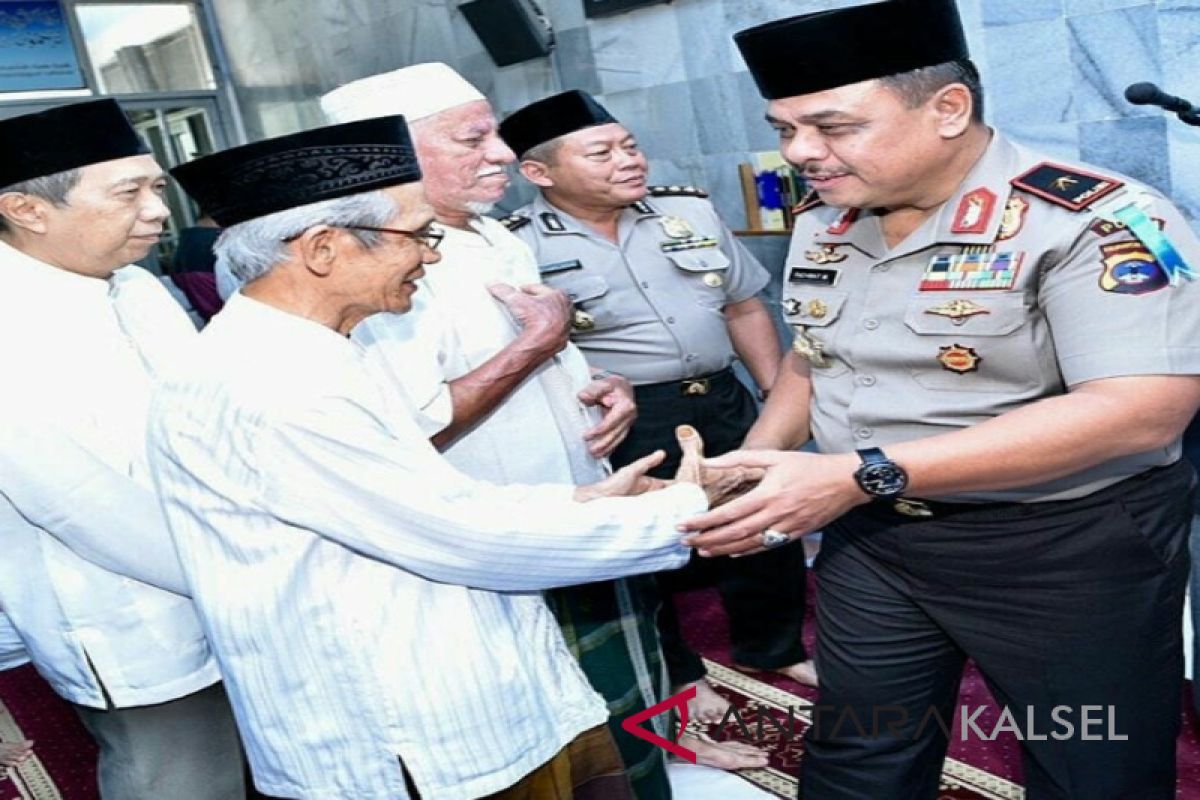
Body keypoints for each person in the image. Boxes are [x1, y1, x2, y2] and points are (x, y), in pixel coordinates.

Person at [679, 1, 1200, 798]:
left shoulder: (1098, 218)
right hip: (875, 542)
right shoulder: (824, 221)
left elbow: (1142, 408)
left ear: (948, 108)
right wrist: (761, 461)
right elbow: (811, 362)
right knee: (861, 753)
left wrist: (861, 473)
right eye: (784, 128)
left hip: (1062, 550)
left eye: (831, 126)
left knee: (1093, 765)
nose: (799, 152)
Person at [161, 115, 758, 800]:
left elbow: (427, 497)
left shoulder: (316, 347)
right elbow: (456, 534)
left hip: (448, 669)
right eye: (417, 236)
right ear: (323, 249)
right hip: (396, 718)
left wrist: (581, 500)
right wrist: (688, 507)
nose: (432, 256)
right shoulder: (273, 382)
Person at [320, 64, 760, 786]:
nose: (499, 154)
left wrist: (598, 385)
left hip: (580, 506)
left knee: (625, 701)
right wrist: (538, 344)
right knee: (558, 743)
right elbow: (406, 429)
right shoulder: (371, 261)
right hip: (499, 546)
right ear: (390, 153)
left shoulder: (492, 236)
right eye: (474, 138)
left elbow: (550, 354)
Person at [498, 90, 813, 726]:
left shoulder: (686, 212)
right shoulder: (516, 246)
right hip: (626, 418)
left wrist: (774, 397)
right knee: (647, 543)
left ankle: (772, 645)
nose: (628, 161)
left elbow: (744, 304)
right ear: (539, 172)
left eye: (630, 145)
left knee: (764, 520)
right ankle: (677, 669)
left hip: (721, 394)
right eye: (601, 153)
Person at [0, 99, 244, 799]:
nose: (158, 210)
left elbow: (207, 418)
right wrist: (241, 566)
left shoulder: (136, 287)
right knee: (180, 778)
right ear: (28, 209)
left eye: (156, 187)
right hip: (127, 610)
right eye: (127, 192)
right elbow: (79, 504)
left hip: (226, 580)